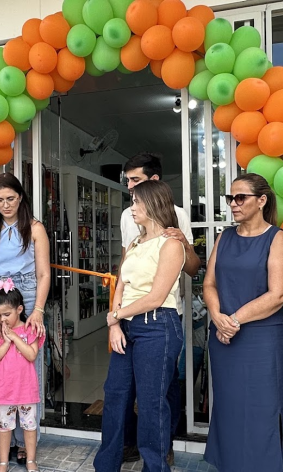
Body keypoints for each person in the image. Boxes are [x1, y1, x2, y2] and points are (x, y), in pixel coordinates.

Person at [202, 173, 283, 471]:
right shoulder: (225, 236)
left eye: (240, 197)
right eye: (230, 198)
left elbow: (279, 294)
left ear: (261, 201)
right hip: (224, 339)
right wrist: (217, 317)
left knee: (264, 412)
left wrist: (232, 321)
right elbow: (209, 284)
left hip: (263, 341)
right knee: (230, 409)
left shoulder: (277, 238)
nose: (233, 203)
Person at [93, 180, 186, 472]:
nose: (131, 208)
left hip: (158, 326)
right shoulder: (135, 242)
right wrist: (115, 323)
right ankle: (105, 466)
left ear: (153, 204)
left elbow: (157, 297)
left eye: (136, 202)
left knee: (151, 404)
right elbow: (121, 284)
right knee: (115, 396)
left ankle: (155, 467)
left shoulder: (171, 245)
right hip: (127, 326)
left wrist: (116, 315)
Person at [118, 152, 200, 464]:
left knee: (163, 387)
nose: (130, 188)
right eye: (128, 182)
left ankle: (163, 446)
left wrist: (183, 243)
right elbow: (125, 264)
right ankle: (132, 442)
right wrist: (117, 310)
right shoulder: (128, 215)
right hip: (129, 314)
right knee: (127, 386)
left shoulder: (178, 215)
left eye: (135, 181)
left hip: (163, 312)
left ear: (154, 182)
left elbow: (192, 268)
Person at [0, 173, 50, 464]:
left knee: (29, 363)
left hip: (27, 293)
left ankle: (26, 441)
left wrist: (38, 309)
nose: (6, 204)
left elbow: (43, 273)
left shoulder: (35, 227)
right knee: (0, 365)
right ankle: (1, 442)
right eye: (0, 200)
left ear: (21, 198)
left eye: (11, 198)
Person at [0, 280, 45, 472]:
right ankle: (3, 462)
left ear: (19, 309)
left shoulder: (29, 329)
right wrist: (5, 342)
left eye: (7, 314)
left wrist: (14, 338)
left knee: (29, 426)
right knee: (4, 427)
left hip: (26, 389)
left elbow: (31, 355)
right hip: (4, 390)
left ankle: (31, 460)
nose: (2, 319)